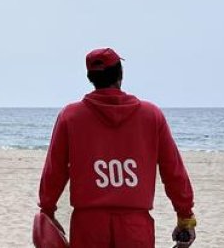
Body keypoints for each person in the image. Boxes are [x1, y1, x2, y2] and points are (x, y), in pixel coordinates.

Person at [36, 48, 197, 248]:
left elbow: (54, 170)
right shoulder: (151, 115)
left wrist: (47, 210)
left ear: (90, 78)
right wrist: (185, 216)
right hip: (135, 227)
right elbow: (173, 171)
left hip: (88, 227)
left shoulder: (70, 116)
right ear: (121, 74)